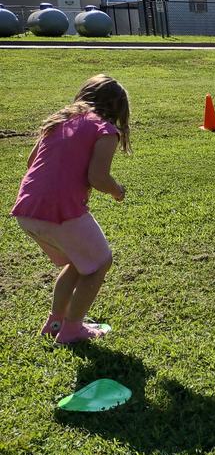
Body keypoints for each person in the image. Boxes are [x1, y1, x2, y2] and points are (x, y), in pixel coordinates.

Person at [10, 75, 129, 344]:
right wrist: (117, 191)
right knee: (100, 262)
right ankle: (72, 330)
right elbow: (98, 178)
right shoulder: (106, 130)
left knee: (79, 261)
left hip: (27, 210)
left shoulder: (60, 119)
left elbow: (31, 162)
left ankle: (55, 323)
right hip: (58, 211)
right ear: (118, 109)